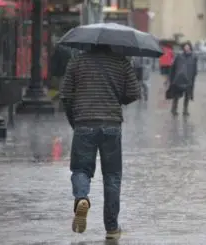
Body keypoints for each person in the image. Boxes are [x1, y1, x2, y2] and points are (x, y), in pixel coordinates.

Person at [60, 44, 140, 240]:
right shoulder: (121, 62)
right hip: (111, 124)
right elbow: (134, 92)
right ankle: (112, 228)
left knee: (80, 169)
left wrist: (75, 120)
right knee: (112, 176)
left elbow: (65, 95)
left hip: (84, 123)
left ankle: (81, 198)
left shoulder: (77, 61)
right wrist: (116, 97)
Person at [168, 41, 197, 116]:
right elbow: (174, 67)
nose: (186, 48)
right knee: (176, 95)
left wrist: (193, 76)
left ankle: (185, 110)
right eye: (185, 46)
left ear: (190, 47)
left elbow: (194, 68)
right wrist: (173, 77)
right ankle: (174, 109)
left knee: (187, 95)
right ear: (183, 47)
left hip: (189, 79)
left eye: (188, 46)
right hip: (180, 79)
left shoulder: (193, 57)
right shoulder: (179, 56)